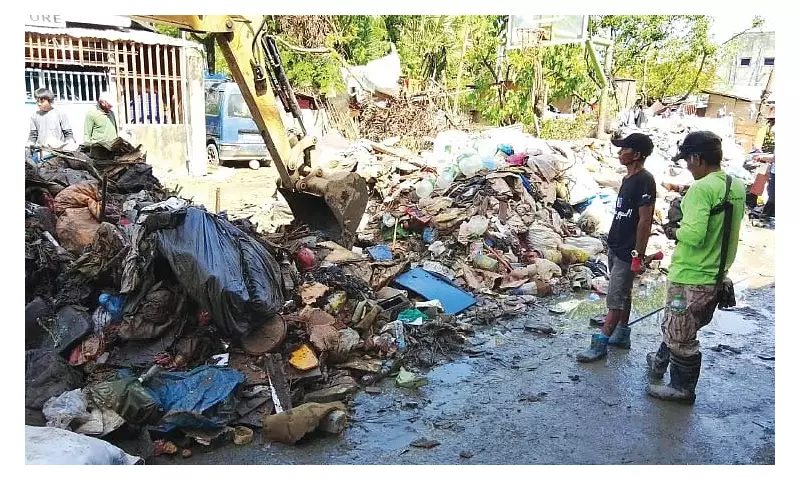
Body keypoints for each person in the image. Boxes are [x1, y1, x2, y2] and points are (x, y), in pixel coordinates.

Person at [647, 131, 745, 404]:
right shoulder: (734, 185)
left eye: (688, 161)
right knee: (679, 325)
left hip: (691, 276)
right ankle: (659, 362)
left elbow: (694, 235)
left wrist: (673, 227)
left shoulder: (701, 189)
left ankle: (682, 388)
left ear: (697, 158)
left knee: (682, 335)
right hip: (715, 274)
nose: (687, 167)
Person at [577, 133, 657, 362]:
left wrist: (638, 254)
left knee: (615, 296)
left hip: (628, 249)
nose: (620, 153)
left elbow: (645, 220)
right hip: (616, 243)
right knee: (623, 292)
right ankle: (622, 333)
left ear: (637, 155)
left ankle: (600, 343)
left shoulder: (645, 180)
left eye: (624, 149)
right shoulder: (627, 179)